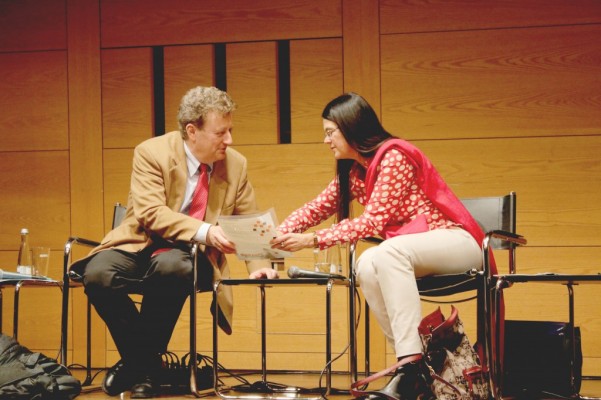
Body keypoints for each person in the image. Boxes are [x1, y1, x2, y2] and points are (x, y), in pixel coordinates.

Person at [270, 92, 484, 400]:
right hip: (413, 251)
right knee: (367, 264)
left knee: (385, 251)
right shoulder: (355, 170)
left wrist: (313, 239)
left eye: (330, 132)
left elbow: (372, 222)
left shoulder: (394, 156)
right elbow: (316, 208)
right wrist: (275, 235)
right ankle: (411, 369)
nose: (326, 140)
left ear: (351, 128)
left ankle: (411, 366)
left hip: (457, 242)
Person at [70, 86, 277, 399]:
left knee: (172, 267)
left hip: (191, 256)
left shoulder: (236, 164)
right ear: (192, 131)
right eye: (221, 132)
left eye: (230, 130)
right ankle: (148, 367)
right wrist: (206, 230)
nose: (229, 140)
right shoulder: (151, 152)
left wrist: (261, 266)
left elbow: (250, 222)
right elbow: (150, 213)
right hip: (140, 243)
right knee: (98, 274)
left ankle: (135, 366)